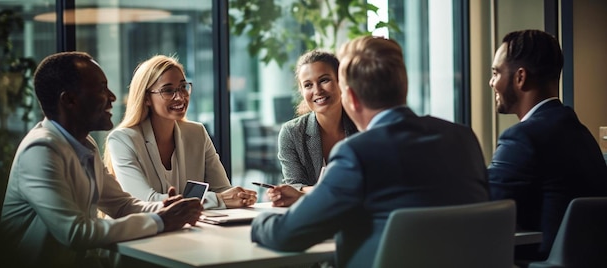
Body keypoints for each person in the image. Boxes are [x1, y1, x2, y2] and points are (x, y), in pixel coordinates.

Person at [251, 36, 490, 268]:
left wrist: (257, 222)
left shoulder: (357, 153)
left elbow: (288, 235)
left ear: (350, 98)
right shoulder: (463, 137)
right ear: (403, 87)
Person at [0, 51, 203, 267]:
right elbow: (76, 233)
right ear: (69, 100)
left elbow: (122, 205)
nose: (112, 97)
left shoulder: (85, 145)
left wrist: (167, 208)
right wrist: (161, 220)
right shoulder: (40, 149)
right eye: (101, 89)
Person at [487, 29, 607, 261]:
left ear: (520, 77)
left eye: (495, 72)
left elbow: (485, 208)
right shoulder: (582, 135)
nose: (491, 82)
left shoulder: (522, 138)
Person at [104, 55, 257, 210]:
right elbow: (146, 201)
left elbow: (222, 189)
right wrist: (218, 200)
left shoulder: (197, 133)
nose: (180, 97)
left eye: (183, 87)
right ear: (146, 98)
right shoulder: (122, 140)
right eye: (168, 90)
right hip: (145, 232)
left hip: (193, 229)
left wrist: (239, 197)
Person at [268, 50, 358, 207]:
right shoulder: (292, 133)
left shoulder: (361, 124)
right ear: (302, 91)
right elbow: (294, 187)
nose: (317, 90)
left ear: (340, 81)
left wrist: (305, 192)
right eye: (308, 85)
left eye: (324, 80)